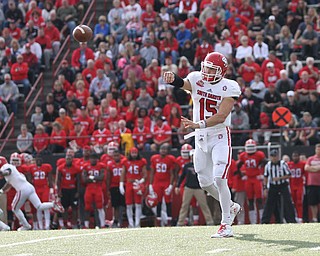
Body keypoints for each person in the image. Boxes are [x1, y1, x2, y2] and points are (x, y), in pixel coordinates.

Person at [163, 51, 241, 237]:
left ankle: (225, 224)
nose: (206, 71)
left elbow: (222, 116)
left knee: (220, 178)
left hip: (219, 135)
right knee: (205, 182)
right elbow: (185, 84)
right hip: (200, 137)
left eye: (211, 69)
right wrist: (174, 79)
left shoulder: (229, 87)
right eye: (205, 67)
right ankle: (230, 206)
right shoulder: (197, 78)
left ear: (221, 71)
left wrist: (199, 124)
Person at [0, 156, 64, 231]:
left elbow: (7, 171)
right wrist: (1, 190)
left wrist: (2, 173)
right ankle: (54, 204)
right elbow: (9, 183)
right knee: (39, 206)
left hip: (22, 189)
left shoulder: (5, 167)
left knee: (14, 208)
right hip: (30, 187)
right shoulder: (13, 168)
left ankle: (26, 225)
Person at [175, 148, 214, 226]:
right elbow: (182, 177)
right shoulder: (187, 166)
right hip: (188, 188)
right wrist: (177, 186)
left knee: (204, 205)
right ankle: (180, 222)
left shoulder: (202, 166)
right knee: (185, 205)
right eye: (192, 156)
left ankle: (209, 221)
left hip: (199, 188)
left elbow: (206, 176)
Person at [261, 149, 296, 224]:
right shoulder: (268, 165)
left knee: (288, 202)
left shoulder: (283, 164)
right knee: (269, 203)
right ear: (270, 157)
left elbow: (289, 175)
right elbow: (265, 177)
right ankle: (265, 221)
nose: (274, 158)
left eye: (275, 156)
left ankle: (291, 220)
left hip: (283, 185)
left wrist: (279, 178)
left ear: (278, 156)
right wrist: (265, 188)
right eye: (272, 156)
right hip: (273, 186)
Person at [237, 139, 267, 224]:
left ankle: (262, 220)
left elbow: (266, 163)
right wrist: (242, 175)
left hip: (256, 178)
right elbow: (237, 166)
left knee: (259, 199)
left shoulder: (259, 155)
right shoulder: (243, 155)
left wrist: (262, 173)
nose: (250, 149)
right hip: (248, 179)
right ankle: (253, 221)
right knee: (250, 200)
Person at [120, 147, 147, 228]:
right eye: (133, 153)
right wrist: (121, 184)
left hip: (137, 183)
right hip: (129, 183)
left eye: (135, 153)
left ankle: (137, 223)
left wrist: (141, 181)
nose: (134, 155)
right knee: (128, 204)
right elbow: (123, 173)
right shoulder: (125, 161)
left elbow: (145, 174)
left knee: (138, 204)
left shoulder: (141, 161)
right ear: (130, 153)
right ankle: (131, 223)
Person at [287, 152, 305, 223]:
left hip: (300, 185)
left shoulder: (302, 164)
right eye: (294, 156)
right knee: (293, 202)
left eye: (296, 156)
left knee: (299, 201)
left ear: (299, 157)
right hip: (292, 185)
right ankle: (295, 216)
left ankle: (300, 217)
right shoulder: (289, 164)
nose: (295, 158)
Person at [304, 144, 320, 223]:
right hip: (312, 183)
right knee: (313, 202)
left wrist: (312, 168)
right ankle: (314, 218)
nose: (318, 150)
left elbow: (310, 168)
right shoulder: (310, 159)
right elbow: (306, 168)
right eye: (317, 148)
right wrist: (317, 169)